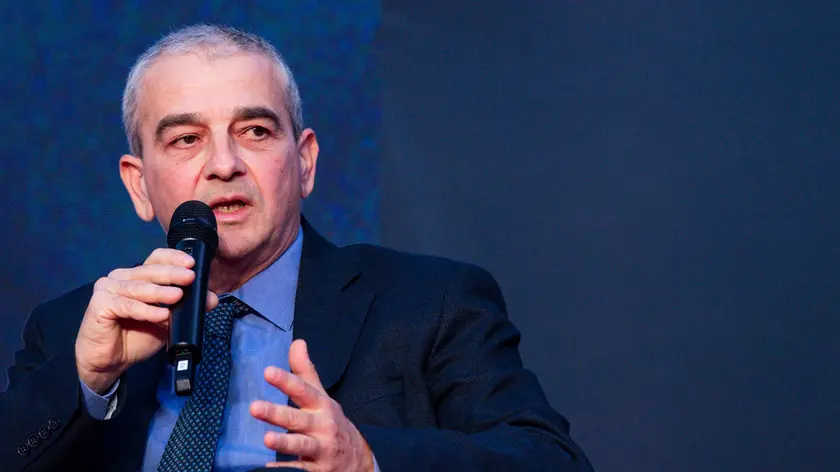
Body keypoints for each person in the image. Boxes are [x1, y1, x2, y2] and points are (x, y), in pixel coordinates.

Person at [0, 24, 593, 472]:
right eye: (186, 139)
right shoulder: (70, 329)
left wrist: (369, 460)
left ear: (304, 162)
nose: (224, 165)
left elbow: (551, 461)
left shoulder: (429, 303)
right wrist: (86, 377)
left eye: (255, 132)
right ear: (138, 185)